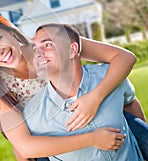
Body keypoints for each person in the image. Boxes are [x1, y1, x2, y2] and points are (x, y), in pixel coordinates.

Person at [0, 12, 146, 160]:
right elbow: (25, 147)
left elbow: (124, 57)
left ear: (10, 31)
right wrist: (92, 139)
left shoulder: (48, 43)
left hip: (99, 115)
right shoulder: (2, 87)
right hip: (57, 141)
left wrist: (95, 97)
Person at [23, 23, 144, 160]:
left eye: (48, 45)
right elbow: (24, 151)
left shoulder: (109, 76)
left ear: (72, 50)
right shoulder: (33, 115)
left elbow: (130, 103)